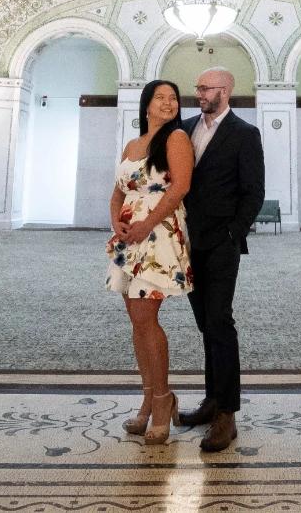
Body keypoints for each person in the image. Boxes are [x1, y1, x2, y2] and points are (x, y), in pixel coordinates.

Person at [177, 66, 265, 453]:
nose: (199, 93)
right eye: (197, 87)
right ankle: (212, 400)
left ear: (225, 91)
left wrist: (233, 233)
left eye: (205, 88)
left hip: (222, 244)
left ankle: (227, 413)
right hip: (186, 243)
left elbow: (254, 191)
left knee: (219, 321)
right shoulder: (184, 130)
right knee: (205, 324)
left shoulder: (245, 134)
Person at [105, 78, 195, 446]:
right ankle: (148, 398)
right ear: (146, 105)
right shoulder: (132, 144)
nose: (169, 103)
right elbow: (118, 192)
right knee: (137, 321)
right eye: (160, 97)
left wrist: (146, 223)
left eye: (173, 98)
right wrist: (117, 221)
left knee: (146, 318)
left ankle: (162, 400)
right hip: (129, 240)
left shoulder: (177, 139)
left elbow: (180, 187)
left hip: (158, 235)